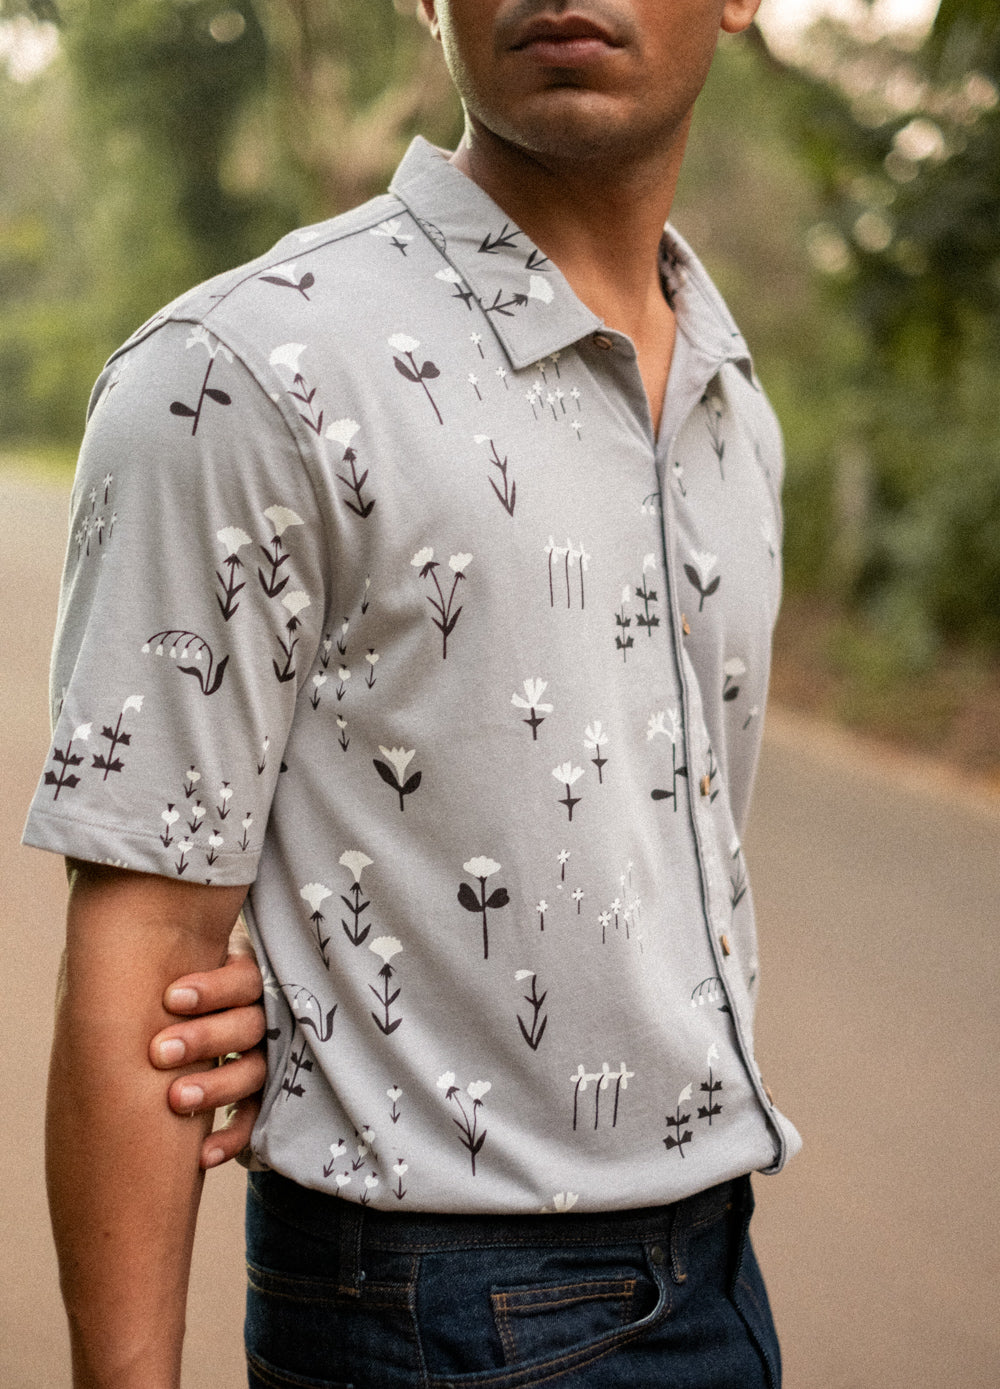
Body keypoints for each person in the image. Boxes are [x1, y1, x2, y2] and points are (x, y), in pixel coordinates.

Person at [24, 1, 802, 1385]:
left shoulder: (734, 403)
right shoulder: (242, 376)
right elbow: (146, 952)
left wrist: (349, 974)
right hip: (432, 1317)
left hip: (722, 1275)